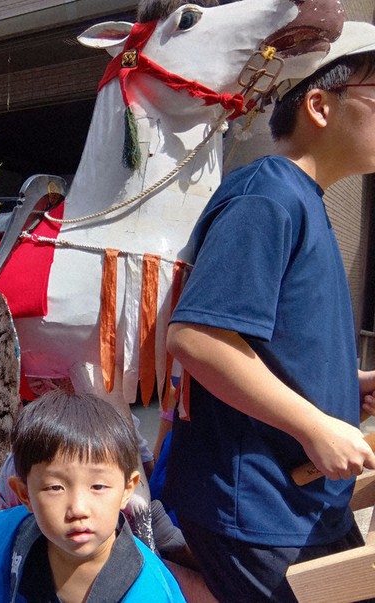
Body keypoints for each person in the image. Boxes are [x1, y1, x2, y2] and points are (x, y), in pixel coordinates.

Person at [164, 22, 375, 603]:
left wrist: (343, 387)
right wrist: (314, 425)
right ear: (319, 105)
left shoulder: (302, 200)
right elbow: (198, 337)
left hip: (298, 504)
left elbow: (272, 346)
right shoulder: (269, 193)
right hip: (259, 505)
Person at [0, 390, 186, 602]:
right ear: (24, 494)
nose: (78, 508)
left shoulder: (147, 591)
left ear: (127, 489)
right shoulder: (16, 531)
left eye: (98, 486)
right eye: (55, 487)